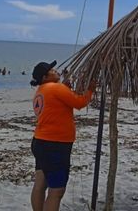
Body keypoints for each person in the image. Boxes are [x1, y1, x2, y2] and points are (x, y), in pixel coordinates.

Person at [30, 61, 95, 211]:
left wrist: (67, 89)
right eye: (52, 70)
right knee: (57, 191)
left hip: (40, 142)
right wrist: (90, 90)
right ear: (45, 77)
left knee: (40, 184)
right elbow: (79, 102)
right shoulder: (55, 88)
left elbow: (58, 105)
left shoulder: (41, 91)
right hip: (55, 146)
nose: (56, 71)